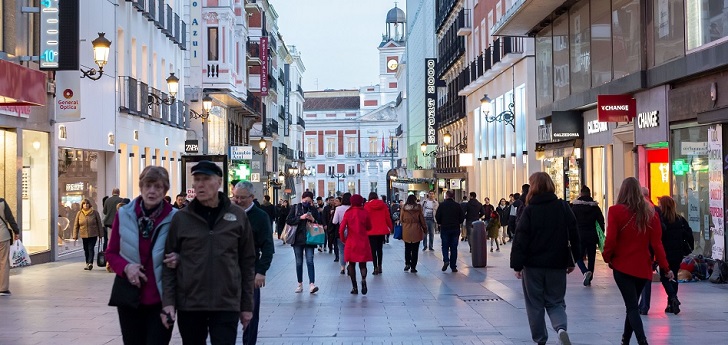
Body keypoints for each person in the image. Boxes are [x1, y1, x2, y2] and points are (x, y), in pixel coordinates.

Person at [161, 161, 256, 344]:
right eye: (196, 180)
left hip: (226, 303)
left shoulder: (237, 216)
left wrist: (246, 306)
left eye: (206, 179)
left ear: (219, 182)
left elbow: (247, 262)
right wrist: (169, 302)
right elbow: (169, 264)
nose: (200, 184)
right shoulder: (181, 218)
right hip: (191, 304)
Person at [106, 166, 178, 344]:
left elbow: (188, 251)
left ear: (165, 190)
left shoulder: (176, 217)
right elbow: (111, 253)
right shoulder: (124, 214)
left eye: (158, 187)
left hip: (161, 298)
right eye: (147, 186)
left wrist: (180, 257)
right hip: (130, 297)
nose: (152, 191)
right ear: (141, 187)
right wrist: (126, 267)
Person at [510, 172, 579, 345]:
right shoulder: (562, 207)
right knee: (556, 301)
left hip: (533, 266)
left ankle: (540, 339)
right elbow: (574, 233)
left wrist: (517, 265)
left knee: (535, 305)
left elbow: (520, 238)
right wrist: (574, 259)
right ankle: (561, 327)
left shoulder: (530, 210)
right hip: (557, 263)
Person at [603, 177, 673, 345]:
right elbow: (657, 244)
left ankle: (642, 340)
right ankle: (625, 340)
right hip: (643, 268)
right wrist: (665, 267)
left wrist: (607, 257)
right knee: (632, 305)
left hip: (622, 266)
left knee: (632, 307)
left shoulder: (615, 211)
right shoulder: (651, 213)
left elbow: (611, 239)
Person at [231, 181, 275, 345]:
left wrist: (261, 271)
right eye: (235, 197)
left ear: (252, 197)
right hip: (227, 272)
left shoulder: (260, 217)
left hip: (250, 273)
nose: (238, 201)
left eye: (242, 198)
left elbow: (268, 246)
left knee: (250, 314)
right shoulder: (228, 213)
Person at [656, 196, 693, 315]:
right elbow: (689, 234)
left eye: (660, 204)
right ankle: (671, 304)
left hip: (665, 253)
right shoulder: (680, 219)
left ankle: (673, 298)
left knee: (664, 277)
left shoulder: (661, 220)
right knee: (674, 277)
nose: (658, 207)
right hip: (677, 253)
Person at [286, 191, 322, 293]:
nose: (306, 202)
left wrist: (312, 219)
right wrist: (300, 218)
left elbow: (319, 222)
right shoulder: (296, 207)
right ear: (302, 199)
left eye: (309, 201)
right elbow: (289, 220)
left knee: (310, 261)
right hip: (297, 239)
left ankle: (312, 284)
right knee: (299, 262)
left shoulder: (313, 209)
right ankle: (300, 284)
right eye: (305, 200)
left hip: (310, 239)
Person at [571, 185, 605, 287]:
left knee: (577, 256)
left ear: (581, 194)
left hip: (579, 235)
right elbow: (601, 221)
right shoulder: (595, 208)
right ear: (589, 194)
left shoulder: (575, 207)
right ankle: (589, 278)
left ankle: (585, 272)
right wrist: (600, 233)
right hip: (592, 235)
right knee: (591, 257)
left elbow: (571, 222)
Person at [339, 194, 373, 294]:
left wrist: (343, 239)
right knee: (363, 264)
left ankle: (354, 287)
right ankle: (363, 279)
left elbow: (341, 229)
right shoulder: (365, 212)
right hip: (363, 241)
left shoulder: (348, 213)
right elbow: (369, 227)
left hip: (351, 241)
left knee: (351, 264)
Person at [435, 190, 465, 273]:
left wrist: (440, 223)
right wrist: (458, 222)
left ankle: (446, 260)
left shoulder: (442, 205)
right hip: (455, 228)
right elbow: (462, 217)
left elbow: (437, 216)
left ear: (446, 196)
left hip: (445, 228)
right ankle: (453, 266)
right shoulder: (457, 206)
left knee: (444, 246)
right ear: (453, 197)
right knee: (454, 248)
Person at [364, 192, 393, 275]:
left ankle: (375, 267)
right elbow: (387, 217)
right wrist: (390, 227)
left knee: (373, 250)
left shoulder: (367, 206)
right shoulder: (383, 205)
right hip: (381, 230)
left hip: (370, 231)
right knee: (380, 249)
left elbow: (365, 219)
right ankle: (380, 266)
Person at [73, 198, 104, 271]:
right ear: (82, 205)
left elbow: (99, 224)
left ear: (89, 205)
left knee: (91, 248)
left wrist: (101, 234)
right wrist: (75, 236)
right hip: (83, 234)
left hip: (93, 234)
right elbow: (76, 225)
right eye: (84, 204)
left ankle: (90, 263)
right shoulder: (79, 213)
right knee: (86, 249)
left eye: (87, 204)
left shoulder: (94, 212)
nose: (85, 205)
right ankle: (87, 262)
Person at [400, 195, 427, 273]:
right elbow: (422, 219)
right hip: (416, 229)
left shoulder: (404, 208)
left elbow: (401, 219)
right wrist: (425, 229)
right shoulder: (418, 208)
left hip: (406, 230)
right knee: (415, 249)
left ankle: (407, 263)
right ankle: (413, 267)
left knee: (407, 248)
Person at [0, 197, 20, 296]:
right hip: (2, 237)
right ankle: (3, 289)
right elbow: (10, 218)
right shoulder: (2, 202)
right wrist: (16, 231)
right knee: (3, 262)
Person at [332, 193, 352, 274]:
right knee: (350, 249)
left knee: (341, 250)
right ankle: (350, 265)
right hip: (351, 232)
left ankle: (342, 267)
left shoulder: (338, 209)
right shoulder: (352, 208)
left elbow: (334, 221)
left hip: (341, 231)